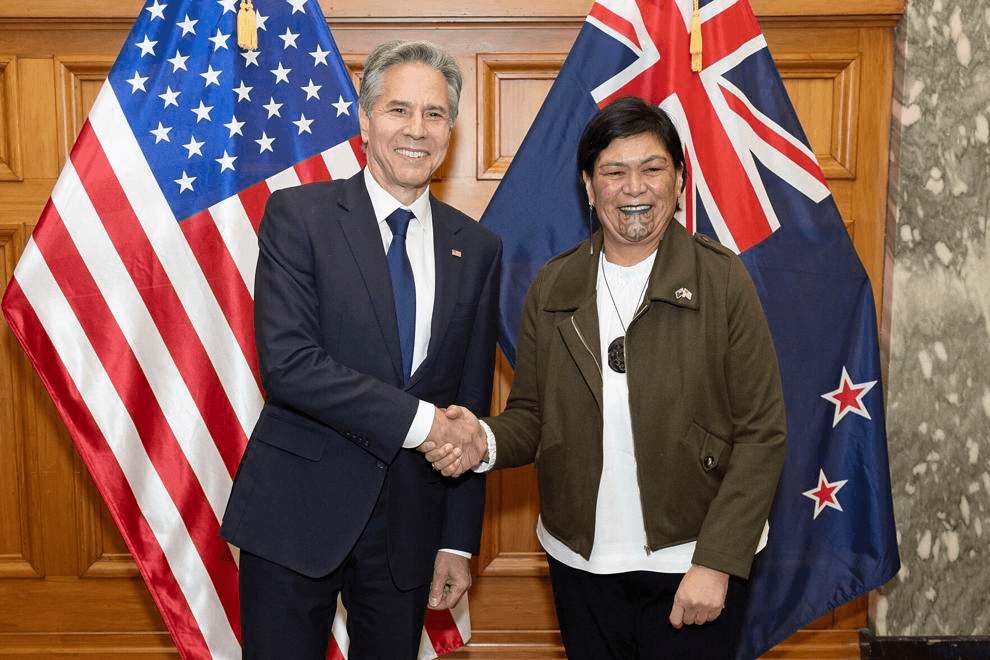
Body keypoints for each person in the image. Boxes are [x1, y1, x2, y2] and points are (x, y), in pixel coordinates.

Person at [426, 96, 786, 658]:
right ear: (590, 188)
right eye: (614, 172)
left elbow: (763, 433)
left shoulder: (723, 280)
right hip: (581, 562)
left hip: (693, 560)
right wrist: (484, 440)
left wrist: (716, 562)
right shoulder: (553, 285)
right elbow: (533, 417)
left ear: (679, 181)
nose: (634, 188)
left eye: (652, 169)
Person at [220, 40, 502, 660]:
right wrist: (423, 422)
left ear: (451, 130)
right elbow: (290, 366)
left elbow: (470, 402)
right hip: (296, 514)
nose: (417, 130)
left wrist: (458, 539)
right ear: (365, 119)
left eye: (434, 115)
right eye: (399, 110)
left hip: (408, 527)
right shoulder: (300, 215)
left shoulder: (476, 247)